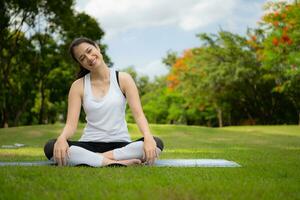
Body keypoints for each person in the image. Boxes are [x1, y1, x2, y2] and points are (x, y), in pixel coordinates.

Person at [44, 37, 164, 167]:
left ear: (97, 47)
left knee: (156, 143)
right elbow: (71, 125)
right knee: (51, 147)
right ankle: (116, 163)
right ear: (80, 63)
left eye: (89, 51)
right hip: (89, 144)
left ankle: (98, 160)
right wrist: (62, 139)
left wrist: (147, 137)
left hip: (120, 144)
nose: (89, 58)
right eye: (82, 58)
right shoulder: (78, 86)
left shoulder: (123, 79)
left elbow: (139, 115)